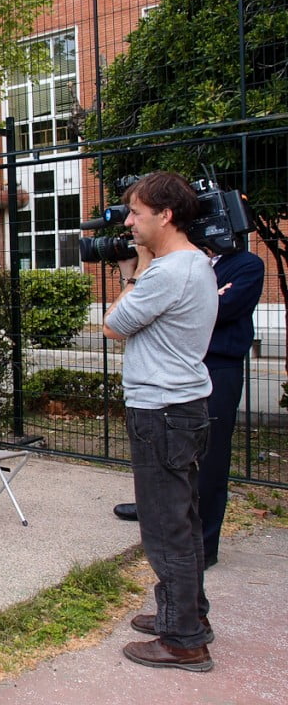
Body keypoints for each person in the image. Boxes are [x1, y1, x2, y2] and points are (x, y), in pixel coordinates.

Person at [103, 171, 218, 672]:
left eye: (136, 213)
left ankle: (183, 639)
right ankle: (188, 614)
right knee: (183, 519)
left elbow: (112, 325)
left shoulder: (168, 272)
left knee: (165, 526)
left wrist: (134, 271)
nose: (128, 222)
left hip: (162, 411)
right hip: (181, 409)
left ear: (165, 215)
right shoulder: (195, 263)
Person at [112, 246, 264, 569]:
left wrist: (182, 300)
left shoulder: (248, 265)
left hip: (219, 367)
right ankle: (159, 511)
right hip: (179, 367)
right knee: (168, 450)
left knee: (210, 459)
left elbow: (216, 309)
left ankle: (204, 545)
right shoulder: (183, 264)